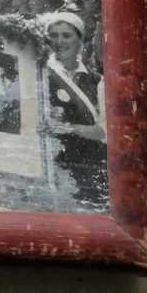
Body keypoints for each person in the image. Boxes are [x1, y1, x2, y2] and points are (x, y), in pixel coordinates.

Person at [45, 12, 108, 211]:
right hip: (55, 167)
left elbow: (105, 132)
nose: (59, 41)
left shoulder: (96, 81)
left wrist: (70, 127)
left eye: (66, 35)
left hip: (90, 166)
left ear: (80, 40)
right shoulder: (40, 75)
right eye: (53, 35)